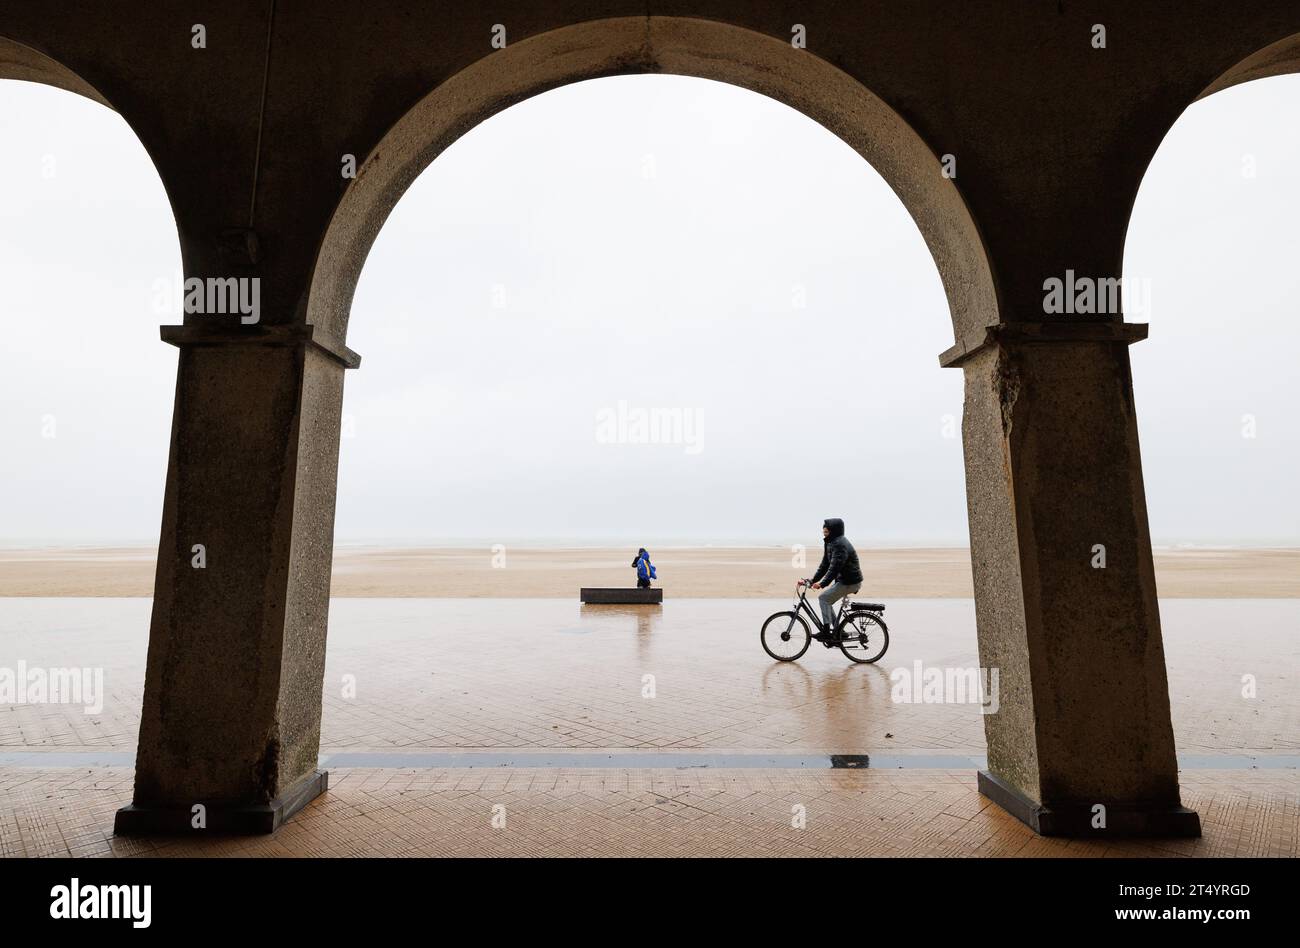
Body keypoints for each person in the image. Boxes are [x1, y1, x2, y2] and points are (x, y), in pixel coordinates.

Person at [799, 518, 863, 638]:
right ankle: (839, 632)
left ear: (834, 532)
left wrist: (822, 584)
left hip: (850, 581)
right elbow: (825, 565)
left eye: (827, 532)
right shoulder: (830, 543)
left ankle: (827, 631)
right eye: (824, 532)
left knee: (824, 598)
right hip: (843, 580)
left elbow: (834, 568)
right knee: (827, 599)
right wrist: (812, 580)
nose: (824, 535)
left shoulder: (840, 544)